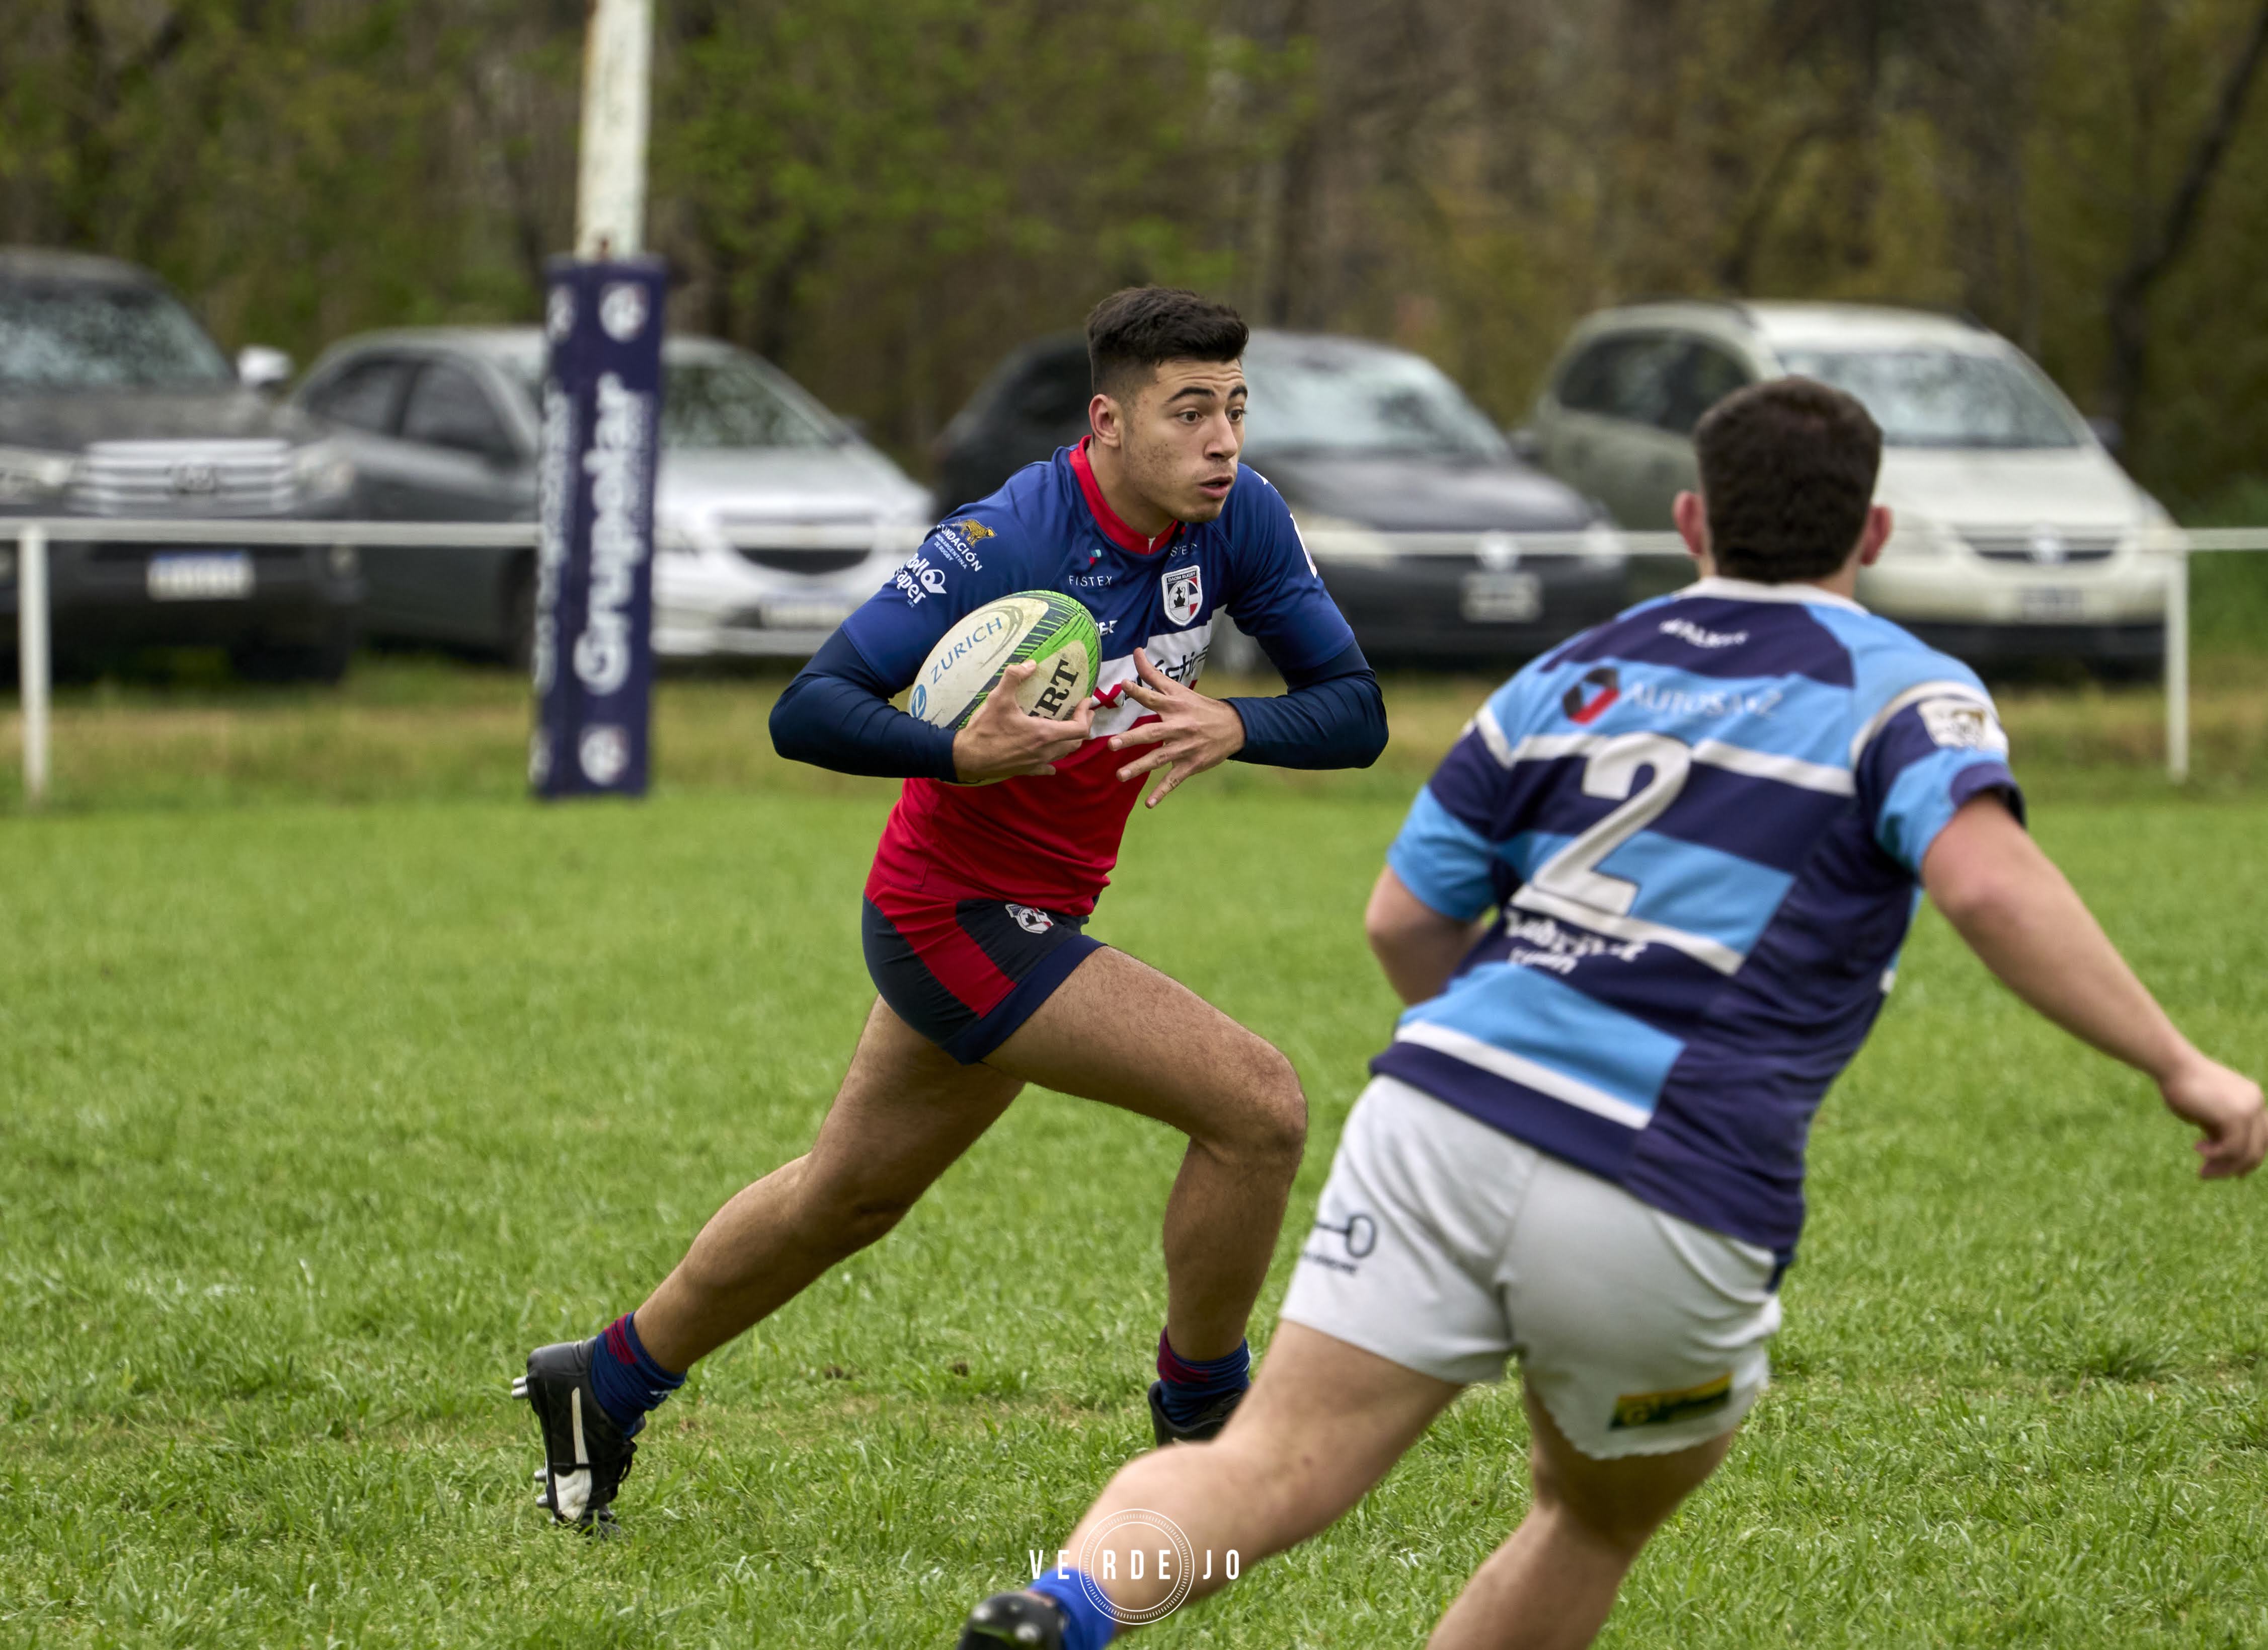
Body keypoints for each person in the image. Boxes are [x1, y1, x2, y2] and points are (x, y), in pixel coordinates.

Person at [955, 376, 2266, 1648]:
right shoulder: (1905, 686)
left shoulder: (1570, 671)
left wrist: (1498, 1049)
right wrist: (2179, 1062)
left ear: (1691, 522)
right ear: (1870, 534)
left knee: (1272, 1463)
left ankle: (1066, 1600)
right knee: (1587, 1515)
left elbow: (1402, 921)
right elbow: (1986, 885)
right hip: (1671, 1168)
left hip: (1438, 1112)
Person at [514, 286, 1388, 1529]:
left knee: (846, 1199)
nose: (1223, 440)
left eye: (1236, 409)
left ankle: (599, 1382)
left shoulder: (1237, 520)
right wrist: (961, 752)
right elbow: (809, 705)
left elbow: (1355, 709)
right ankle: (1203, 1427)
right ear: (1108, 423)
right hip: (954, 914)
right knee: (1257, 1109)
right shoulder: (1008, 540)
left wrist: (1240, 720)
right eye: (1189, 411)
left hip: (1034, 912)